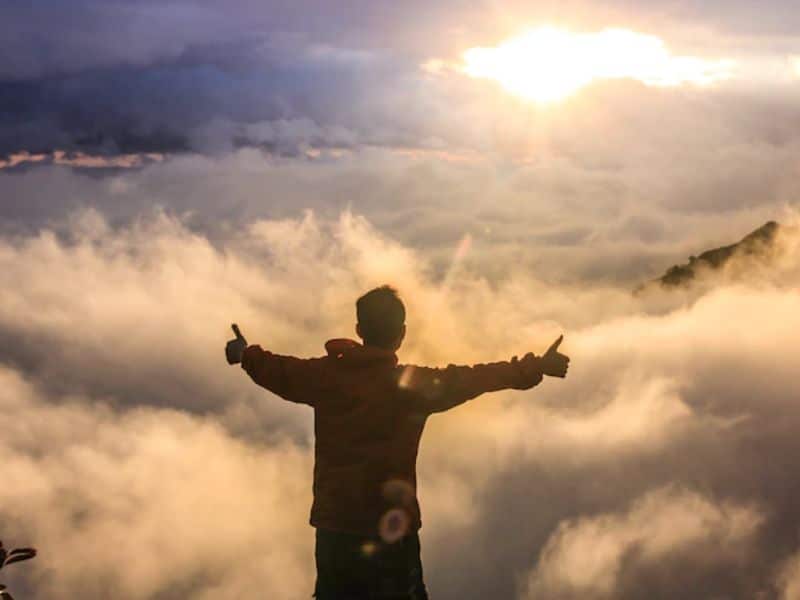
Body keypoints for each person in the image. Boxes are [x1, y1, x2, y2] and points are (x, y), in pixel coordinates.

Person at [225, 285, 570, 599]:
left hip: (336, 533)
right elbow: (475, 377)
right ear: (401, 334)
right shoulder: (411, 387)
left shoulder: (323, 378)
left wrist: (244, 353)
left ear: (359, 331)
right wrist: (537, 366)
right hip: (393, 534)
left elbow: (276, 369)